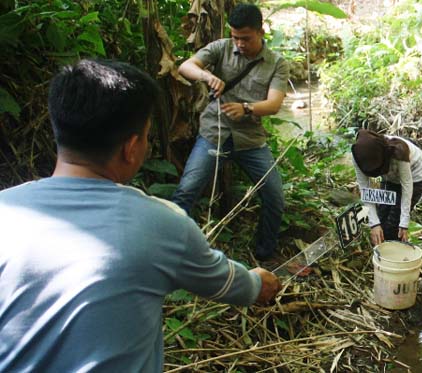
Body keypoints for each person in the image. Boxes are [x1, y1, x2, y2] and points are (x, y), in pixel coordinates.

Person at [0, 59, 280, 372]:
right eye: (146, 136)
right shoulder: (161, 223)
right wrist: (259, 283)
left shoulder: (5, 210)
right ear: (131, 147)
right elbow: (229, 284)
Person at [172, 3, 289, 261]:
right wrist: (206, 76)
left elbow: (274, 104)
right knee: (186, 191)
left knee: (274, 196)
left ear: (260, 32)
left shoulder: (277, 64)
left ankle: (265, 254)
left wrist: (246, 108)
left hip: (250, 141)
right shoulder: (221, 47)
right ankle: (176, 252)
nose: (239, 44)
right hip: (214, 133)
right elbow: (185, 67)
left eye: (245, 38)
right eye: (235, 37)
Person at [351, 129, 422, 245]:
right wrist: (374, 224)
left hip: (415, 176)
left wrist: (404, 222)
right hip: (388, 177)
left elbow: (407, 187)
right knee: (381, 216)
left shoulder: (398, 151)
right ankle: (381, 247)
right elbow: (365, 189)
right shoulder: (359, 156)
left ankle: (393, 251)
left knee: (394, 225)